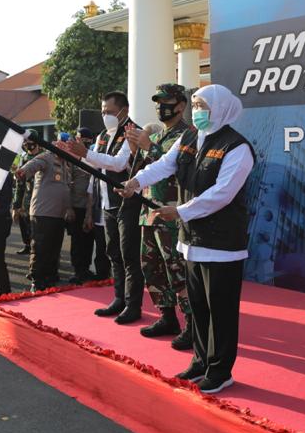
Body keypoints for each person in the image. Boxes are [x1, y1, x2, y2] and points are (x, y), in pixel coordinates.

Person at [120, 85, 254, 394]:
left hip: (222, 243)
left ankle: (221, 371)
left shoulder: (237, 147)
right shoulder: (190, 137)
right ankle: (200, 361)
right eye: (194, 104)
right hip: (192, 240)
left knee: (220, 309)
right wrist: (136, 182)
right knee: (198, 306)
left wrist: (180, 211)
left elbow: (221, 194)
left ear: (220, 108)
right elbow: (164, 165)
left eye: (202, 104)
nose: (196, 110)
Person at [58, 91, 145, 323]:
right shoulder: (102, 136)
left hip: (127, 203)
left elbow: (118, 165)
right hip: (106, 204)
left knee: (129, 256)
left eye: (109, 111)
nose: (105, 115)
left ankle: (133, 304)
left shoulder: (133, 133)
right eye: (103, 111)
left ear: (124, 111)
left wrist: (85, 153)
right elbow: (94, 167)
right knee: (113, 253)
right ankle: (119, 298)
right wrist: (76, 155)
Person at [125, 84, 193, 346]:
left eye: (166, 101)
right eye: (157, 101)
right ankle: (167, 316)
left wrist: (149, 147)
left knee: (176, 267)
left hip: (171, 211)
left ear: (181, 105)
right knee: (150, 266)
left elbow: (177, 169)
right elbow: (147, 169)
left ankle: (191, 324)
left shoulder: (188, 135)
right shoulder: (161, 135)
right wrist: (137, 150)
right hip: (149, 210)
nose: (160, 106)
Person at [15, 146, 74, 291]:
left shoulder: (67, 163)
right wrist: (23, 171)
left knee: (54, 248)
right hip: (42, 212)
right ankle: (36, 279)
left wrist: (69, 208)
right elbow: (33, 165)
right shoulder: (47, 157)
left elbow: (66, 188)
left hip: (59, 214)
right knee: (40, 248)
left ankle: (50, 277)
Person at [67, 127, 97, 284]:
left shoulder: (94, 157)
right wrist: (69, 207)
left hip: (91, 207)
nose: (83, 144)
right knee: (77, 241)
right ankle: (78, 271)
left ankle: (85, 270)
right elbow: (67, 185)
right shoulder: (71, 159)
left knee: (88, 240)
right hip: (76, 206)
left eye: (86, 141)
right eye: (80, 140)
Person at [13, 139, 42, 255]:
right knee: (24, 223)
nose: (27, 144)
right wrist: (16, 205)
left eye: (29, 141)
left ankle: (38, 249)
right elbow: (19, 183)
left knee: (38, 227)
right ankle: (27, 245)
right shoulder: (24, 159)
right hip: (27, 196)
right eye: (25, 142)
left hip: (40, 197)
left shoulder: (43, 157)